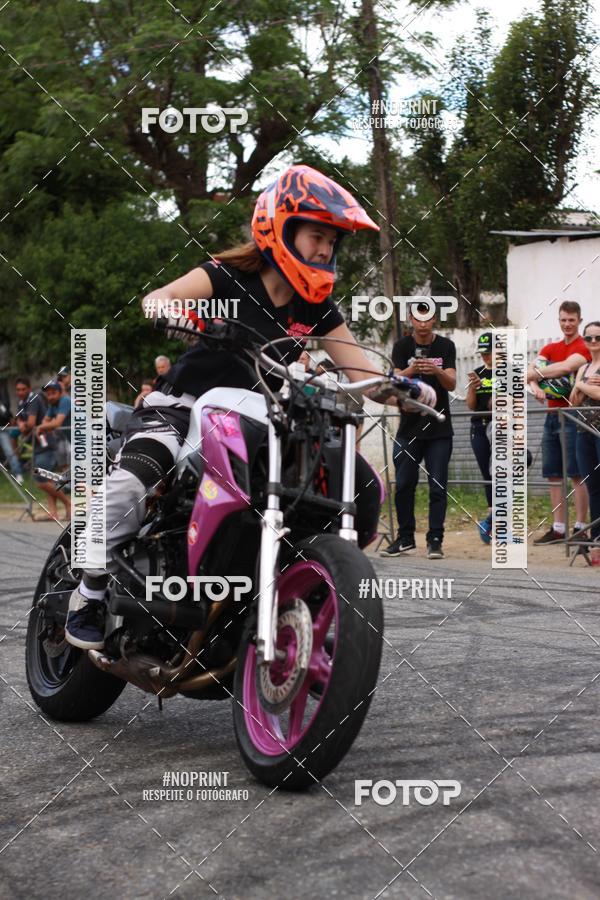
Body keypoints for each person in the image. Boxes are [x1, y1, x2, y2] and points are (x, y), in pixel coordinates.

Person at [64, 164, 393, 650]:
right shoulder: (227, 277)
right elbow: (159, 298)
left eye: (332, 242)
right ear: (281, 227)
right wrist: (177, 314)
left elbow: (364, 376)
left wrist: (405, 388)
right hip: (183, 407)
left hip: (259, 421)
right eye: (317, 236)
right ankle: (88, 592)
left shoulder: (318, 309)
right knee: (139, 475)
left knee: (342, 485)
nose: (325, 250)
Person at [381, 302, 456, 560]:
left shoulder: (446, 346)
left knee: (437, 486)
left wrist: (435, 369)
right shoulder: (401, 346)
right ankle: (405, 538)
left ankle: (435, 539)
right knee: (403, 485)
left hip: (439, 428)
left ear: (434, 318)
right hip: (408, 428)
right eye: (417, 317)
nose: (422, 323)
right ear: (411, 319)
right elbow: (393, 380)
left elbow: (452, 382)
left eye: (427, 317)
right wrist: (412, 370)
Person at [527, 301, 590, 544]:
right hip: (552, 415)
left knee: (577, 473)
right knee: (553, 473)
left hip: (574, 415)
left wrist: (532, 376)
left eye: (571, 320)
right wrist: (535, 387)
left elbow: (564, 367)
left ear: (579, 321)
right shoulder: (550, 347)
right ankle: (559, 528)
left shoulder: (584, 346)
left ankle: (580, 527)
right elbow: (534, 368)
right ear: (559, 320)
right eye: (563, 320)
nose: (567, 324)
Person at [571, 321, 600, 565]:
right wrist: (582, 386)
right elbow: (574, 401)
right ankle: (596, 541)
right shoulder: (584, 367)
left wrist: (581, 386)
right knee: (592, 486)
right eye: (588, 338)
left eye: (597, 338)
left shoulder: (583, 374)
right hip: (584, 432)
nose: (593, 343)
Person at [466, 332, 493, 543]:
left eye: (489, 352)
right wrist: (474, 388)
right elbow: (471, 405)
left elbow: (502, 402)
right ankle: (493, 522)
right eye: (483, 353)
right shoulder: (478, 372)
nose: (486, 357)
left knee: (503, 472)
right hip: (479, 426)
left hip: (501, 426)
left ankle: (493, 521)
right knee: (487, 473)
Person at [39, 379, 72, 471]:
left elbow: (57, 422)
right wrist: (45, 427)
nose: (50, 397)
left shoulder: (65, 400)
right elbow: (45, 421)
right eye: (48, 394)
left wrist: (42, 427)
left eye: (53, 393)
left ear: (60, 393)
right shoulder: (52, 405)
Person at [0, 391, 24, 484]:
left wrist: (10, 422)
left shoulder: (2, 404)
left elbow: (7, 416)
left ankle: (18, 474)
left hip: (2, 429)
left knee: (9, 452)